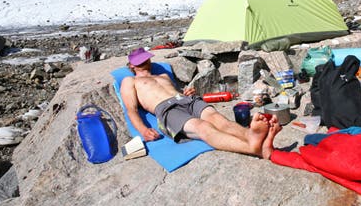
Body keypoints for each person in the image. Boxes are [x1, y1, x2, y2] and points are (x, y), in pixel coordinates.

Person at [120, 47, 281, 159]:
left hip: (186, 100)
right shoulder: (130, 81)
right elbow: (131, 109)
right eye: (139, 62)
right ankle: (253, 148)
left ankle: (250, 136)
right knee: (203, 127)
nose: (144, 63)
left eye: (145, 59)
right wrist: (143, 130)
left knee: (219, 120)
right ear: (131, 65)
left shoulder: (163, 76)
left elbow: (174, 91)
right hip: (167, 109)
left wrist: (185, 93)